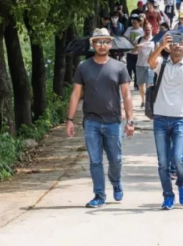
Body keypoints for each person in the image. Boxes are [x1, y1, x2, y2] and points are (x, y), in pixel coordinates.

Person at [66, 28, 135, 208]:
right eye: (98, 41)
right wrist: (70, 119)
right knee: (95, 161)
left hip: (113, 121)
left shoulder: (119, 67)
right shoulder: (83, 67)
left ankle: (116, 181)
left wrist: (130, 120)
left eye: (105, 42)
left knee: (116, 160)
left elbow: (126, 95)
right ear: (92, 44)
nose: (102, 45)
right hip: (91, 121)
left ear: (110, 44)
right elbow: (76, 94)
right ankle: (99, 194)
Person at [148, 33, 183, 210]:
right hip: (160, 118)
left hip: (181, 118)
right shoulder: (162, 64)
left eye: (181, 43)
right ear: (169, 47)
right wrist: (159, 46)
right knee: (163, 162)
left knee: (179, 158)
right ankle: (168, 195)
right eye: (174, 43)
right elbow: (150, 62)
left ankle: (182, 184)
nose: (177, 46)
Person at [135, 22, 155, 108]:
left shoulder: (154, 40)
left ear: (152, 30)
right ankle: (142, 100)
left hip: (150, 65)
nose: (147, 31)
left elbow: (158, 52)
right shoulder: (139, 39)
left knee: (148, 84)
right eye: (146, 30)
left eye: (149, 30)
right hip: (139, 64)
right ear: (143, 30)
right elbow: (132, 51)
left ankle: (147, 102)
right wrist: (138, 47)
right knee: (140, 84)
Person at [124, 15, 144, 90]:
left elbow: (144, 40)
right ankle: (127, 83)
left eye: (135, 23)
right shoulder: (129, 29)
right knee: (129, 68)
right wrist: (130, 43)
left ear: (139, 23)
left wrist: (137, 46)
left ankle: (136, 84)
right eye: (132, 23)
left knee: (136, 69)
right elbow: (125, 37)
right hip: (130, 52)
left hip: (138, 53)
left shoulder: (142, 31)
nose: (134, 24)